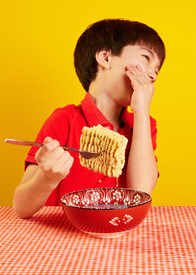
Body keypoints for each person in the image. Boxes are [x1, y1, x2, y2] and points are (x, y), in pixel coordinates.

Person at [13, 19, 166, 218]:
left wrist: (142, 112)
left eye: (157, 69)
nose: (152, 75)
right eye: (146, 57)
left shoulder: (143, 126)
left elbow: (142, 191)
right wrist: (47, 177)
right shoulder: (64, 120)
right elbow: (21, 207)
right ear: (106, 58)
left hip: (117, 238)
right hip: (61, 238)